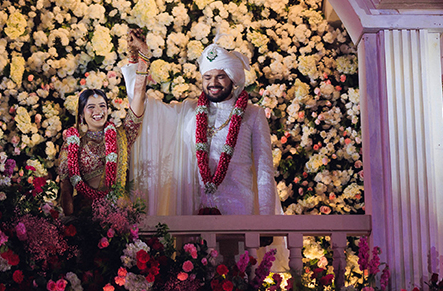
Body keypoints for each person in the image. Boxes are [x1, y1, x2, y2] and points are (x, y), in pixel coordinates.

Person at [122, 30, 280, 218]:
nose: (213, 82)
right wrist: (140, 58)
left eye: (220, 76)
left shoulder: (253, 114)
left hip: (238, 214)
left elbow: (264, 172)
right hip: (191, 212)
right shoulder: (189, 112)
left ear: (232, 78)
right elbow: (146, 109)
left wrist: (266, 221)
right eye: (207, 77)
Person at [57, 78, 146, 215]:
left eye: (102, 106)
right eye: (91, 107)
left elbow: (139, 97)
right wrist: (70, 226)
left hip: (118, 213)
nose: (98, 111)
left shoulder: (122, 136)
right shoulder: (71, 144)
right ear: (81, 114)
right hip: (85, 217)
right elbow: (66, 189)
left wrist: (142, 66)